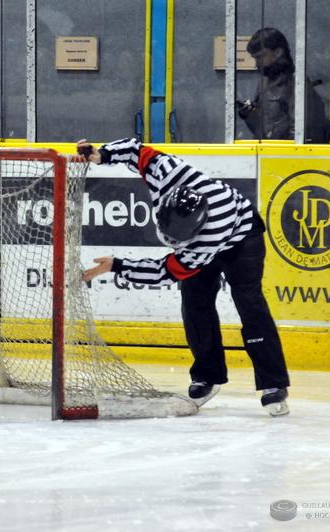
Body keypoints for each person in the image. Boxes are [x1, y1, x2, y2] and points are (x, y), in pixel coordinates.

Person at [76, 137, 290, 416]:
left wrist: (118, 266)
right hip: (206, 230)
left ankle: (273, 383)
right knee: (194, 301)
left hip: (243, 238)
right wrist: (101, 154)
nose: (175, 245)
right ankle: (207, 375)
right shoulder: (167, 174)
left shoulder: (206, 240)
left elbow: (165, 272)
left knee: (249, 303)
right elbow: (136, 149)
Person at [237, 27, 330, 143]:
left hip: (285, 152)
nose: (256, 63)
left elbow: (302, 134)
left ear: (278, 52)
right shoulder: (264, 81)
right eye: (255, 58)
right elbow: (265, 130)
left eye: (260, 57)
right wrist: (249, 115)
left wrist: (283, 152)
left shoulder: (296, 83)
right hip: (269, 150)